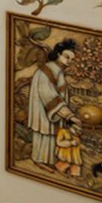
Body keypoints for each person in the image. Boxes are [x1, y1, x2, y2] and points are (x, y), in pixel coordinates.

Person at [27, 38, 79, 172]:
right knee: (45, 134)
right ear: (58, 54)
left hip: (53, 111)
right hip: (44, 110)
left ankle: (50, 161)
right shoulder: (47, 71)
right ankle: (40, 160)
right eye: (66, 57)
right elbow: (49, 96)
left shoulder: (58, 70)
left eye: (72, 59)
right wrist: (69, 115)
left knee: (51, 135)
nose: (69, 61)